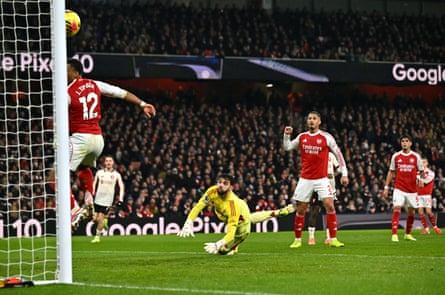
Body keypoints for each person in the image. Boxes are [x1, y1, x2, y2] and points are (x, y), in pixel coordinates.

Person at [67, 58, 156, 230]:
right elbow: (120, 93)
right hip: (97, 139)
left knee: (55, 177)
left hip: (80, 138)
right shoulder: (95, 84)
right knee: (84, 168)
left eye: (67, 70)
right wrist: (142, 103)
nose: (64, 74)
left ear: (76, 73)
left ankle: (73, 209)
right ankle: (88, 199)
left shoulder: (67, 91)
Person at [177, 173, 294, 255]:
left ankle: (281, 212)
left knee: (223, 251)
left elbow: (231, 234)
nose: (220, 185)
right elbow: (198, 206)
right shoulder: (212, 191)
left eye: (225, 183)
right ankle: (280, 212)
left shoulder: (232, 206)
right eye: (219, 182)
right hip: (231, 212)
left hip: (241, 221)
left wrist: (218, 244)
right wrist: (188, 222)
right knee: (252, 217)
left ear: (231, 187)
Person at [283, 110, 348, 248]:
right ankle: (298, 240)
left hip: (322, 179)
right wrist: (286, 136)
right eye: (309, 118)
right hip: (305, 179)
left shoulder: (326, 137)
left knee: (329, 205)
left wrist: (344, 173)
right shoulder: (302, 137)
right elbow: (287, 147)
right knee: (301, 209)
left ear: (319, 122)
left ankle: (333, 239)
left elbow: (338, 154)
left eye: (314, 118)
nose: (311, 121)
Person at [383, 135, 424, 242]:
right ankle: (394, 234)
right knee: (397, 207)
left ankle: (407, 234)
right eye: (402, 141)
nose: (404, 143)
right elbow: (391, 172)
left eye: (407, 141)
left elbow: (421, 171)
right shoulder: (396, 156)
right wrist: (386, 187)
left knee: (411, 212)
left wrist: (420, 179)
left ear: (410, 143)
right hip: (399, 187)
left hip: (412, 190)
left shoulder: (416, 157)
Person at [307, 152, 340, 245]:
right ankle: (311, 237)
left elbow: (338, 169)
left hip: (330, 188)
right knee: (314, 211)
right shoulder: (315, 155)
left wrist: (334, 174)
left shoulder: (331, 155)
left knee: (330, 211)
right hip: (317, 187)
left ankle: (329, 237)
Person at [90, 155, 124, 243]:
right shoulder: (99, 173)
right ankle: (105, 221)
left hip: (107, 200)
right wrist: (92, 193)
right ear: (104, 163)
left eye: (110, 161)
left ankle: (97, 237)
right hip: (97, 198)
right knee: (94, 219)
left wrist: (120, 199)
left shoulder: (116, 175)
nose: (108, 162)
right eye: (107, 161)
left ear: (113, 163)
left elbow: (121, 186)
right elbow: (94, 183)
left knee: (100, 217)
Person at [417, 157, 442, 235]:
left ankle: (435, 227)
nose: (422, 164)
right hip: (419, 195)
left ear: (427, 163)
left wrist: (418, 178)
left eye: (424, 162)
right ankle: (426, 228)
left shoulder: (431, 173)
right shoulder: (416, 172)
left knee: (428, 212)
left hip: (427, 195)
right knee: (420, 212)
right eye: (421, 162)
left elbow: (422, 184)